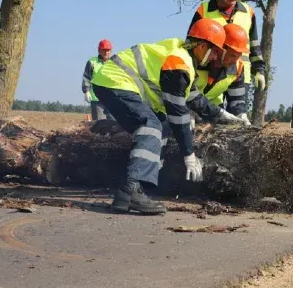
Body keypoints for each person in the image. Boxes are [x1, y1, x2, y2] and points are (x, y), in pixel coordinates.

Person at [90, 18, 247, 215]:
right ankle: (131, 189)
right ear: (201, 46)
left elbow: (194, 98)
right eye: (214, 50)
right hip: (115, 81)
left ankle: (141, 187)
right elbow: (178, 114)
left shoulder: (185, 61)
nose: (216, 56)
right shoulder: (179, 63)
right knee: (150, 125)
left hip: (115, 82)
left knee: (161, 124)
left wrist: (222, 114)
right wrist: (189, 155)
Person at [187, 0, 267, 107]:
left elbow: (254, 45)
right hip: (208, 75)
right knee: (211, 117)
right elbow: (191, 44)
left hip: (240, 75)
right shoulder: (204, 10)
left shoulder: (248, 12)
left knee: (238, 116)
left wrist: (259, 70)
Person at [192, 23, 252, 128]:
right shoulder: (199, 60)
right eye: (232, 55)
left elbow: (237, 99)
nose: (235, 61)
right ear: (220, 48)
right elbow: (186, 94)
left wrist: (241, 114)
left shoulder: (237, 68)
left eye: (238, 56)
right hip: (186, 107)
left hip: (211, 111)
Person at [82, 39, 114, 121]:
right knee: (100, 124)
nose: (106, 52)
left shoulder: (114, 63)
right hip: (97, 99)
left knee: (113, 124)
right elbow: (86, 77)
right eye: (104, 50)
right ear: (99, 50)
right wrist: (86, 91)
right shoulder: (92, 62)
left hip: (112, 98)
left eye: (108, 50)